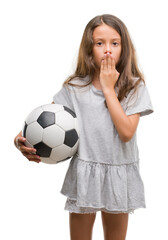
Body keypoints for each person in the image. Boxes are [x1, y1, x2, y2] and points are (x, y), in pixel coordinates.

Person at [14, 14, 154, 240]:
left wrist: (109, 89)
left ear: (124, 48)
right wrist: (19, 142)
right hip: (85, 176)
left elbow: (127, 133)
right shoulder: (75, 87)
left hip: (119, 174)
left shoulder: (134, 86)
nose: (107, 49)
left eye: (114, 43)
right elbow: (41, 122)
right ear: (89, 49)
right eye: (100, 43)